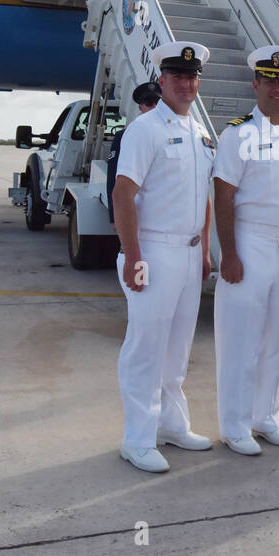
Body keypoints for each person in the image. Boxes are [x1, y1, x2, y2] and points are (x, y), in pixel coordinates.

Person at [110, 42, 216, 473]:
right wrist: (132, 256)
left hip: (189, 255)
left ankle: (171, 426)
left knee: (176, 351)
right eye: (178, 76)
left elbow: (204, 196)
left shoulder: (200, 132)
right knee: (145, 350)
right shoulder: (146, 129)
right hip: (153, 251)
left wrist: (204, 250)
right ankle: (137, 440)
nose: (186, 83)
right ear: (162, 80)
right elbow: (123, 195)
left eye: (192, 76)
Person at [213, 45, 279, 456]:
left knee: (274, 339)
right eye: (270, 80)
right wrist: (229, 254)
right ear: (255, 84)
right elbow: (223, 196)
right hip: (248, 243)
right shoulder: (237, 135)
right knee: (240, 339)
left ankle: (265, 417)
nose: (277, 89)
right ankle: (235, 426)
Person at [106, 80, 161, 226]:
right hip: (136, 213)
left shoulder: (174, 134)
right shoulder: (124, 136)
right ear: (140, 107)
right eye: (149, 103)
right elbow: (113, 178)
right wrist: (114, 216)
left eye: (158, 102)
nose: (154, 107)